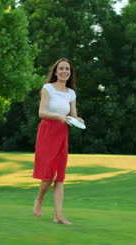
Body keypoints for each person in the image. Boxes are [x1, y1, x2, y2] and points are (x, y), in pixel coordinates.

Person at [32, 58, 84, 225]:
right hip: (48, 131)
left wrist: (78, 120)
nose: (64, 71)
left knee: (59, 176)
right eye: (61, 68)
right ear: (55, 71)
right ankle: (39, 199)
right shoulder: (47, 88)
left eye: (67, 69)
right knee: (49, 174)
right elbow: (42, 112)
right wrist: (58, 117)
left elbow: (73, 115)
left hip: (62, 134)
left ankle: (58, 216)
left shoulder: (71, 93)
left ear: (70, 73)